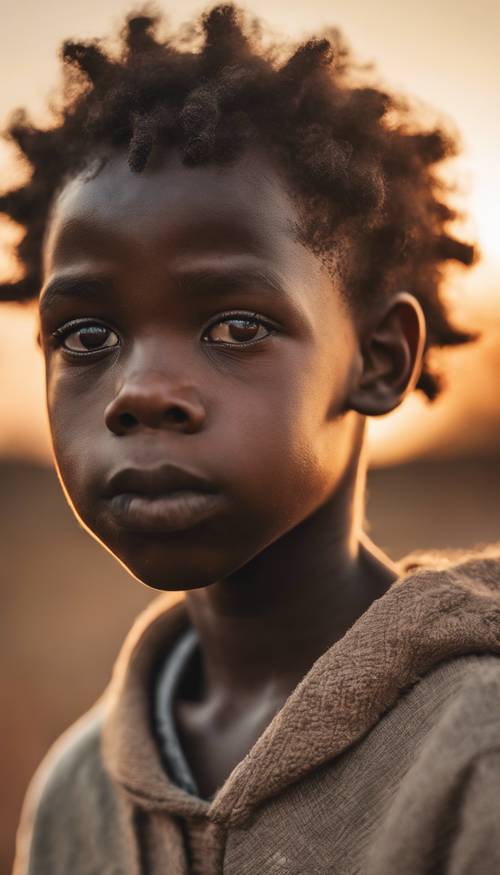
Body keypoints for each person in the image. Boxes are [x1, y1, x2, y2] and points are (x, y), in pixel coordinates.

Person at [2, 5, 499, 874]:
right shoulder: (74, 795)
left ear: (379, 360)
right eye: (86, 336)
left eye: (234, 326)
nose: (140, 391)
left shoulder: (477, 756)